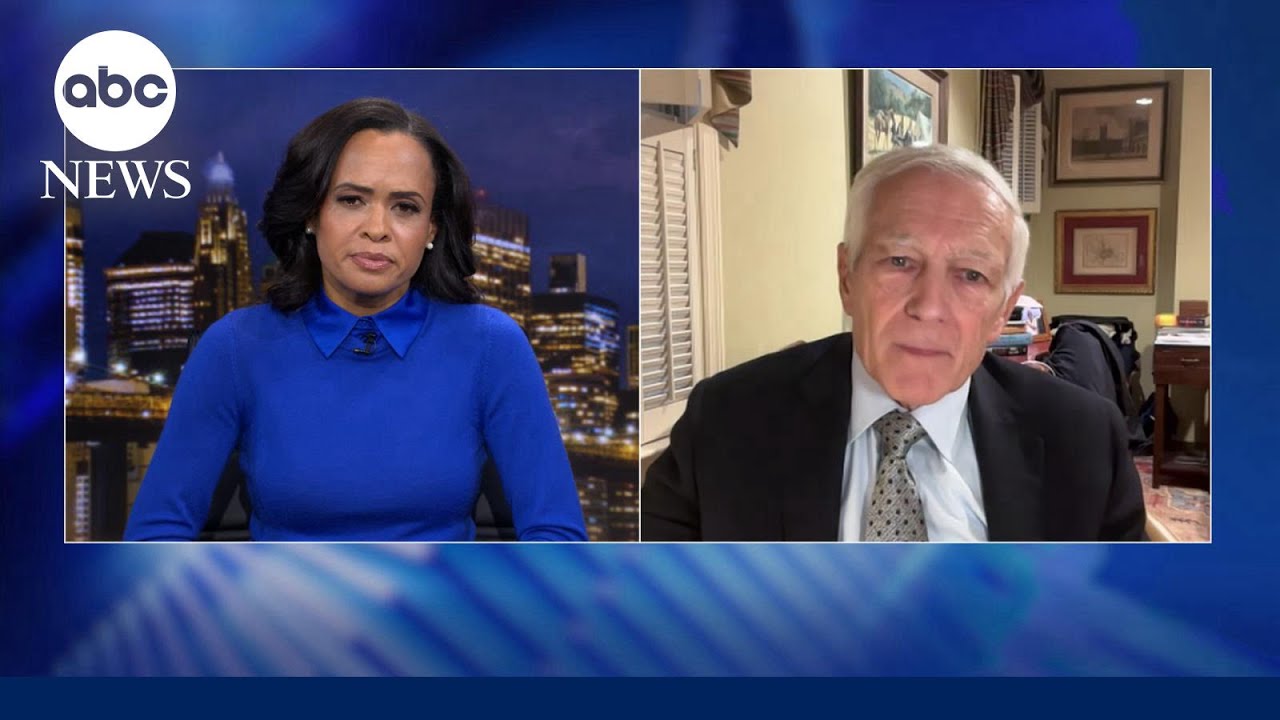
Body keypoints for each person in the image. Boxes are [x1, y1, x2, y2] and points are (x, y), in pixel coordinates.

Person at [126, 98, 587, 541]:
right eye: (351, 200)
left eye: (405, 207)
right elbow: (154, 536)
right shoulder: (234, 346)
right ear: (311, 213)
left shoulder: (492, 345)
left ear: (431, 229)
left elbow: (558, 536)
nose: (377, 229)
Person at [641, 144, 1146, 542]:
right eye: (900, 262)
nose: (929, 306)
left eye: (971, 275)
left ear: (1003, 309)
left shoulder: (1083, 441)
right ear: (847, 277)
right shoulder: (726, 421)